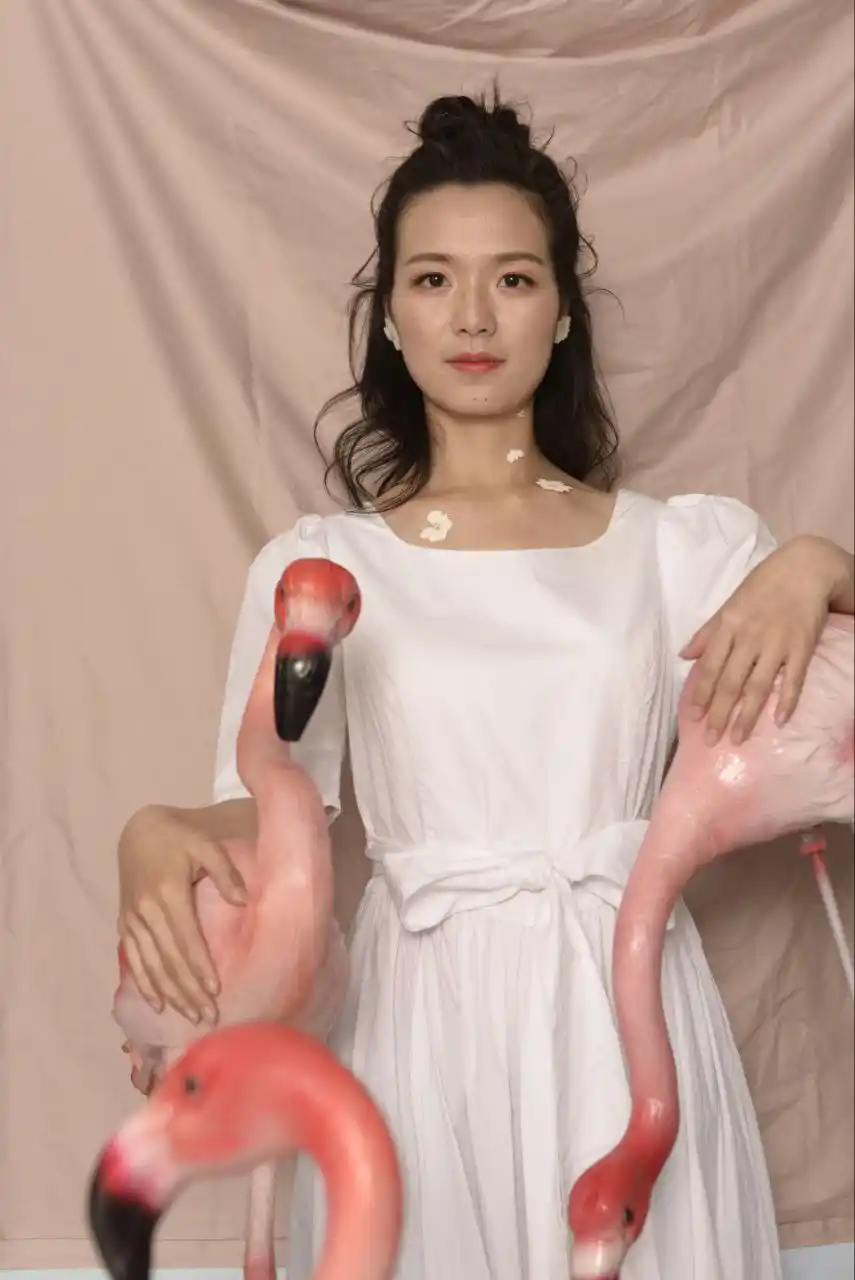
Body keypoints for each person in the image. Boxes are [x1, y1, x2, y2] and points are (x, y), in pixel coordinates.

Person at [116, 92, 855, 1279]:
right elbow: (265, 823)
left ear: (561, 311)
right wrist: (150, 833)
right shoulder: (325, 566)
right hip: (419, 1021)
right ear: (390, 316)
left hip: (625, 1003)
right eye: (433, 279)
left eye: (512, 278)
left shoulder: (676, 548)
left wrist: (820, 566)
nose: (472, 315)